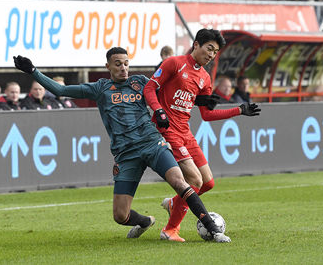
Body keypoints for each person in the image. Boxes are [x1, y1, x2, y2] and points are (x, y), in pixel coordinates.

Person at [13, 47, 231, 243]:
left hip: (153, 143)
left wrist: (201, 101)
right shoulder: (100, 88)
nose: (123, 68)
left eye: (126, 63)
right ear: (107, 66)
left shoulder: (140, 83)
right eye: (118, 64)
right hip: (126, 155)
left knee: (179, 182)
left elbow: (171, 93)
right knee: (120, 216)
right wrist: (33, 71)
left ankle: (213, 230)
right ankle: (146, 221)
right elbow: (61, 91)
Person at [143, 28, 260, 242]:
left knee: (208, 183)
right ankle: (170, 230)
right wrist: (158, 110)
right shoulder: (174, 63)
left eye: (215, 52)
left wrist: (239, 110)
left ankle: (174, 204)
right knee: (194, 180)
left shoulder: (205, 78)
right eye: (209, 49)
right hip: (168, 130)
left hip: (186, 132)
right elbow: (149, 88)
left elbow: (207, 115)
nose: (211, 55)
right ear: (196, 44)